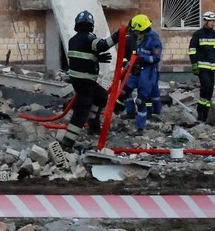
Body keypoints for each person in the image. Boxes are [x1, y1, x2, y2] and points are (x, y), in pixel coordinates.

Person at [60, 10, 120, 149]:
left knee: (102, 96)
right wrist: (118, 35)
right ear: (91, 25)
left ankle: (93, 122)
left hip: (79, 80)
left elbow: (80, 58)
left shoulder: (73, 40)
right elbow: (103, 45)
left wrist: (96, 58)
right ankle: (67, 143)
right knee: (81, 113)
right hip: (86, 82)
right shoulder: (89, 38)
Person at [122, 14, 162, 131]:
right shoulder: (139, 37)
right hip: (137, 70)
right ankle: (125, 110)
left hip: (148, 72)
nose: (135, 33)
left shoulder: (154, 40)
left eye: (137, 31)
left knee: (141, 101)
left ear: (142, 29)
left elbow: (156, 58)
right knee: (124, 90)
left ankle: (140, 127)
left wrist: (141, 58)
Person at [187, 11, 215, 124]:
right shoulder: (198, 34)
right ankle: (201, 112)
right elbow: (192, 50)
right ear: (205, 21)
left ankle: (205, 114)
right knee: (205, 88)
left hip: (212, 68)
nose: (212, 23)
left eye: (213, 21)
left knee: (210, 90)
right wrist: (194, 65)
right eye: (210, 21)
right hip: (202, 67)